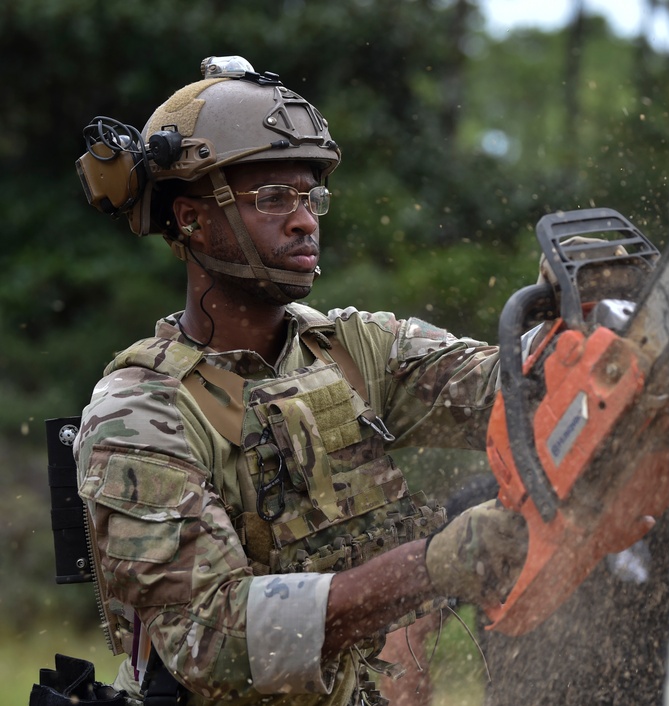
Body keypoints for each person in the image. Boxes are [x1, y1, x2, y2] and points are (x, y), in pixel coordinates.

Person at [73, 55, 528, 706]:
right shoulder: (141, 410)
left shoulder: (354, 348)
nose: (305, 219)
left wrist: (575, 339)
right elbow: (213, 640)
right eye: (271, 198)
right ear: (193, 219)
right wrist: (431, 565)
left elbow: (510, 387)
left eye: (309, 196)